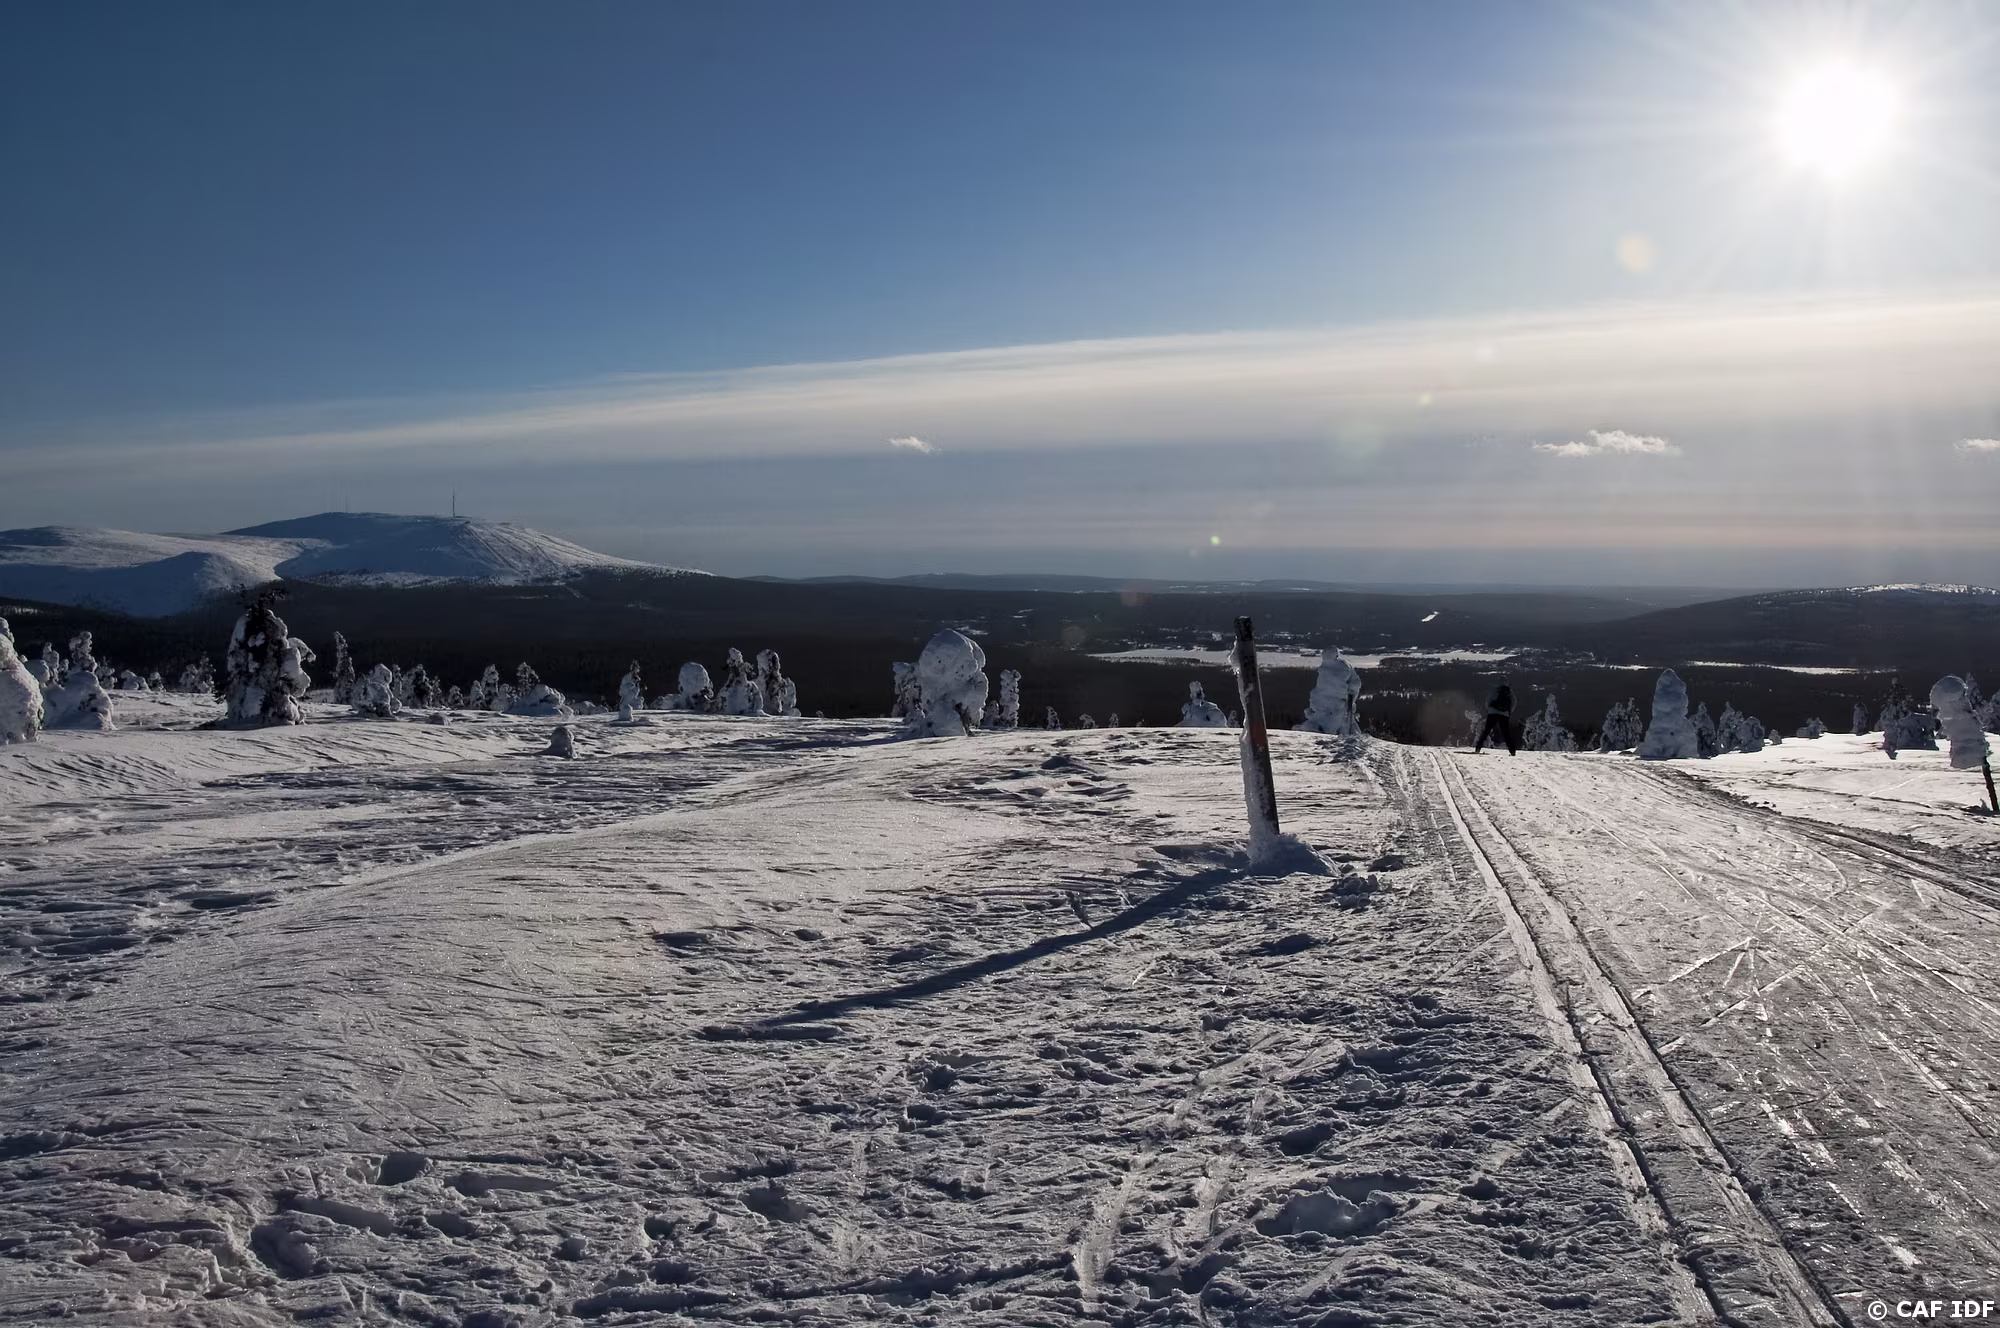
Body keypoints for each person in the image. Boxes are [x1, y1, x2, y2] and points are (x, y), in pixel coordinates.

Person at [1474, 679, 1517, 754]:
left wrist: (1490, 710)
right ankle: (1512, 750)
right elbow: (1514, 702)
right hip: (1505, 714)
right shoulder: (1509, 691)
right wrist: (1509, 711)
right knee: (1506, 733)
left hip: (1492, 713)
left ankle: (1478, 747)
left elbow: (1488, 701)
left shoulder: (1494, 690)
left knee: (1486, 731)